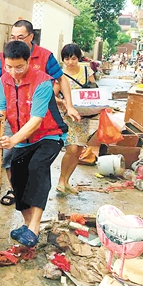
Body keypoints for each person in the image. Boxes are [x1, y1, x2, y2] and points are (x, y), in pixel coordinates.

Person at [0, 20, 80, 207]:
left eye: (21, 37)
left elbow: (60, 80)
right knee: (10, 158)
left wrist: (69, 104)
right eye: (13, 37)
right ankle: (15, 190)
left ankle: (32, 202)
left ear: (31, 37)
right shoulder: (6, 57)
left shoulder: (45, 57)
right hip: (13, 114)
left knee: (36, 165)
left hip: (38, 116)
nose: (13, 71)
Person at [0, 41, 67, 247]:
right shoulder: (4, 81)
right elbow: (1, 110)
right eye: (9, 67)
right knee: (16, 175)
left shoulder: (43, 82)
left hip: (49, 135)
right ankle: (27, 226)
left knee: (37, 167)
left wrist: (12, 140)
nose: (13, 72)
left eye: (19, 66)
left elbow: (36, 120)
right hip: (23, 139)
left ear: (28, 62)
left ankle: (34, 227)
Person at [54, 44, 97, 195]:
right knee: (71, 148)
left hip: (84, 116)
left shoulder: (86, 70)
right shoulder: (60, 75)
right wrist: (64, 102)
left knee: (79, 150)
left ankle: (66, 181)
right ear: (63, 59)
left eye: (73, 58)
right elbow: (53, 96)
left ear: (78, 58)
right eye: (67, 59)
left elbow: (94, 89)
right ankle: (60, 180)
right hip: (67, 116)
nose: (70, 62)